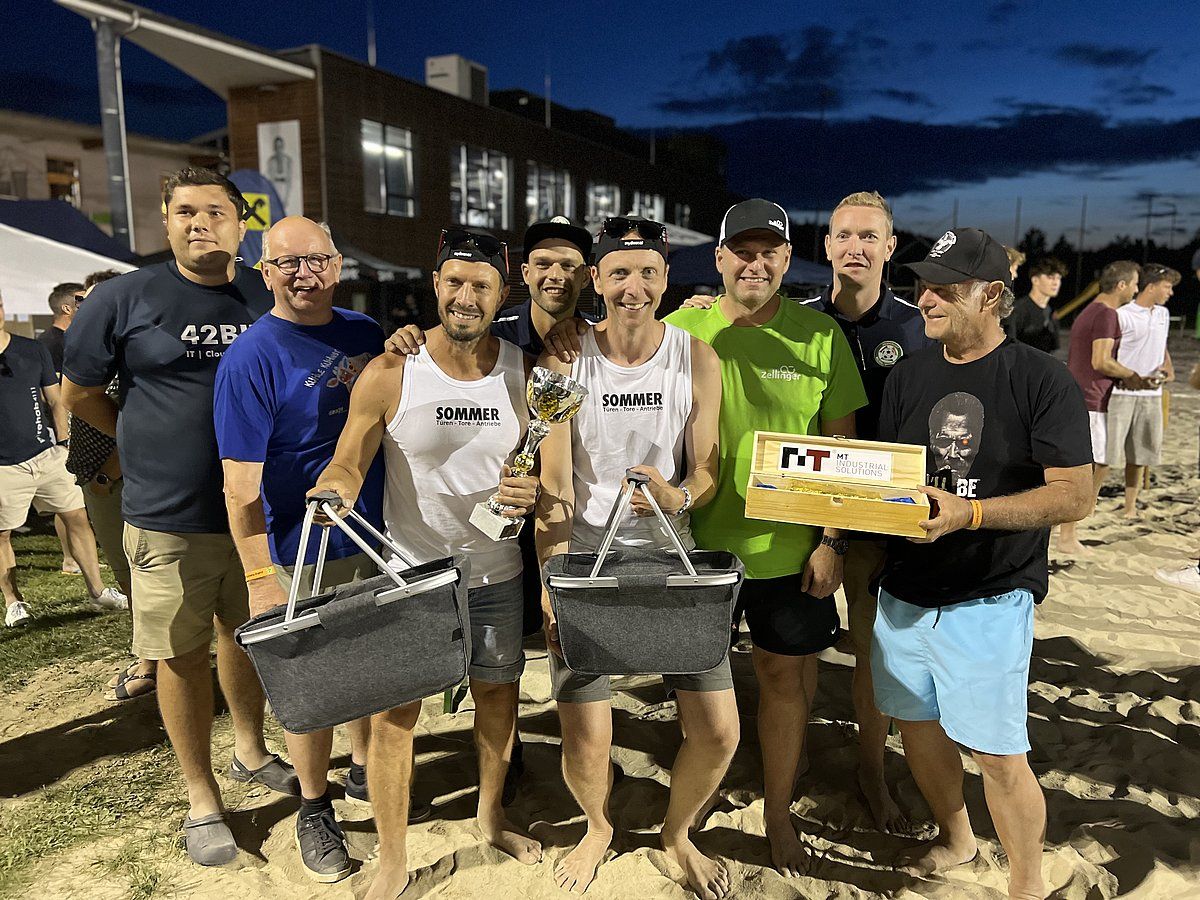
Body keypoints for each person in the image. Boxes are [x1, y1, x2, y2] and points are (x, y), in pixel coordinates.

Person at [62, 167, 298, 867]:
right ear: (164, 223)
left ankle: (251, 751)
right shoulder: (122, 297)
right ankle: (202, 798)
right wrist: (140, 446)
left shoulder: (266, 292)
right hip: (168, 515)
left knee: (249, 636)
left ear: (241, 223)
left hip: (256, 514)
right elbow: (80, 395)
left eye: (216, 212)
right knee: (179, 654)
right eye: (185, 212)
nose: (201, 223)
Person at [313, 225, 542, 900]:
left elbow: (546, 464)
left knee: (498, 698)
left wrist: (535, 492)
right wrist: (336, 486)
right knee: (395, 718)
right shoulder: (392, 371)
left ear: (503, 294)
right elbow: (351, 455)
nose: (466, 296)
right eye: (455, 282)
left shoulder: (523, 374)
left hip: (497, 572)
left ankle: (490, 814)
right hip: (409, 573)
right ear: (435, 285)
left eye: (482, 285)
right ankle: (391, 856)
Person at [875, 228, 1093, 900]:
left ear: (993, 294)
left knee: (999, 753)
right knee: (916, 726)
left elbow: (1076, 495)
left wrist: (970, 514)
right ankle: (957, 837)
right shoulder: (907, 374)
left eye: (944, 287)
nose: (925, 297)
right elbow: (892, 476)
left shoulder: (1040, 378)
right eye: (921, 284)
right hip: (904, 591)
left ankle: (1025, 884)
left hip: (991, 596)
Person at [665, 200, 868, 876]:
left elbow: (841, 447)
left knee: (784, 678)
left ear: (786, 259)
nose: (755, 263)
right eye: (741, 252)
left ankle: (777, 811)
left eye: (769, 253)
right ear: (718, 258)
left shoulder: (819, 335)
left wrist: (832, 540)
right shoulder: (680, 327)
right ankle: (695, 804)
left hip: (789, 547)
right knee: (699, 687)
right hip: (696, 548)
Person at [535, 215, 735, 898]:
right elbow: (555, 483)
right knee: (588, 740)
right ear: (597, 279)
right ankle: (598, 825)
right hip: (586, 565)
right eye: (619, 272)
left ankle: (678, 834)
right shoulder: (565, 360)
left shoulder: (695, 356)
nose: (633, 286)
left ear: (665, 280)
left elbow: (707, 469)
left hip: (671, 563)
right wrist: (548, 585)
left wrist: (678, 497)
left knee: (717, 730)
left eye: (648, 272)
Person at [384, 216, 596, 799]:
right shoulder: (488, 325)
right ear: (521, 278)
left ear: (590, 278)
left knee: (526, 658)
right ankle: (507, 760)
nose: (557, 276)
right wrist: (403, 339)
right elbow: (435, 353)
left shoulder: (594, 340)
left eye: (571, 266)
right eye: (544, 265)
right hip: (463, 539)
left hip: (536, 527)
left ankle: (576, 760)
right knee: (442, 680)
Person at [215, 216, 383, 883]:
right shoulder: (251, 358)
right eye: (286, 263)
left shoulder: (363, 334)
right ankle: (315, 806)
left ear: (337, 265)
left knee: (369, 671)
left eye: (315, 259)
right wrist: (260, 575)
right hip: (297, 549)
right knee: (311, 691)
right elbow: (237, 489)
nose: (302, 272)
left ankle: (366, 767)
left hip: (371, 535)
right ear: (265, 274)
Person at [793, 191, 934, 832]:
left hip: (885, 516)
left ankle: (872, 772)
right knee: (792, 651)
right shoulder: (792, 321)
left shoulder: (915, 326)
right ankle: (785, 759)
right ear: (825, 246)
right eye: (843, 234)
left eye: (868, 236)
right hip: (801, 507)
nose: (855, 245)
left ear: (889, 247)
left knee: (872, 654)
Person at [0, 287, 126, 627]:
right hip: (3, 466)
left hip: (47, 454)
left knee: (78, 519)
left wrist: (63, 444)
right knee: (3, 533)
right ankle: (14, 602)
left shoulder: (31, 349)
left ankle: (98, 591)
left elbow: (56, 400)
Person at [64, 269, 158, 700]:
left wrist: (108, 475)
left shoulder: (134, 353)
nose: (83, 308)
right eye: (81, 300)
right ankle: (150, 657)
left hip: (119, 481)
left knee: (142, 572)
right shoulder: (92, 351)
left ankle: (151, 664)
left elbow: (141, 422)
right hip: (95, 478)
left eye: (92, 300)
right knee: (125, 572)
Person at [1058, 261, 1146, 555]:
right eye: (1134, 283)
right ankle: (1068, 535)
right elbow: (1100, 361)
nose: (1136, 289)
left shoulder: (1091, 310)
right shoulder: (1107, 314)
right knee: (1091, 466)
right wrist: (1131, 375)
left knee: (1099, 463)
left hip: (1084, 396)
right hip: (1091, 399)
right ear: (1121, 285)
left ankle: (1074, 524)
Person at [1107, 263, 1178, 519]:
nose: (1170, 292)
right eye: (1167, 286)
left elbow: (1162, 345)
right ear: (1150, 287)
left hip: (1151, 395)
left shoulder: (1163, 314)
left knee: (1139, 455)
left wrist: (1168, 366)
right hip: (1121, 393)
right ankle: (1089, 503)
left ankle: (1130, 506)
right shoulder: (1122, 314)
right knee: (1106, 454)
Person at [1005, 257, 1068, 354]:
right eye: (1050, 277)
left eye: (1058, 278)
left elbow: (1052, 351)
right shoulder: (1017, 310)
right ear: (1035, 280)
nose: (1056, 282)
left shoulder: (1051, 314)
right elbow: (1008, 349)